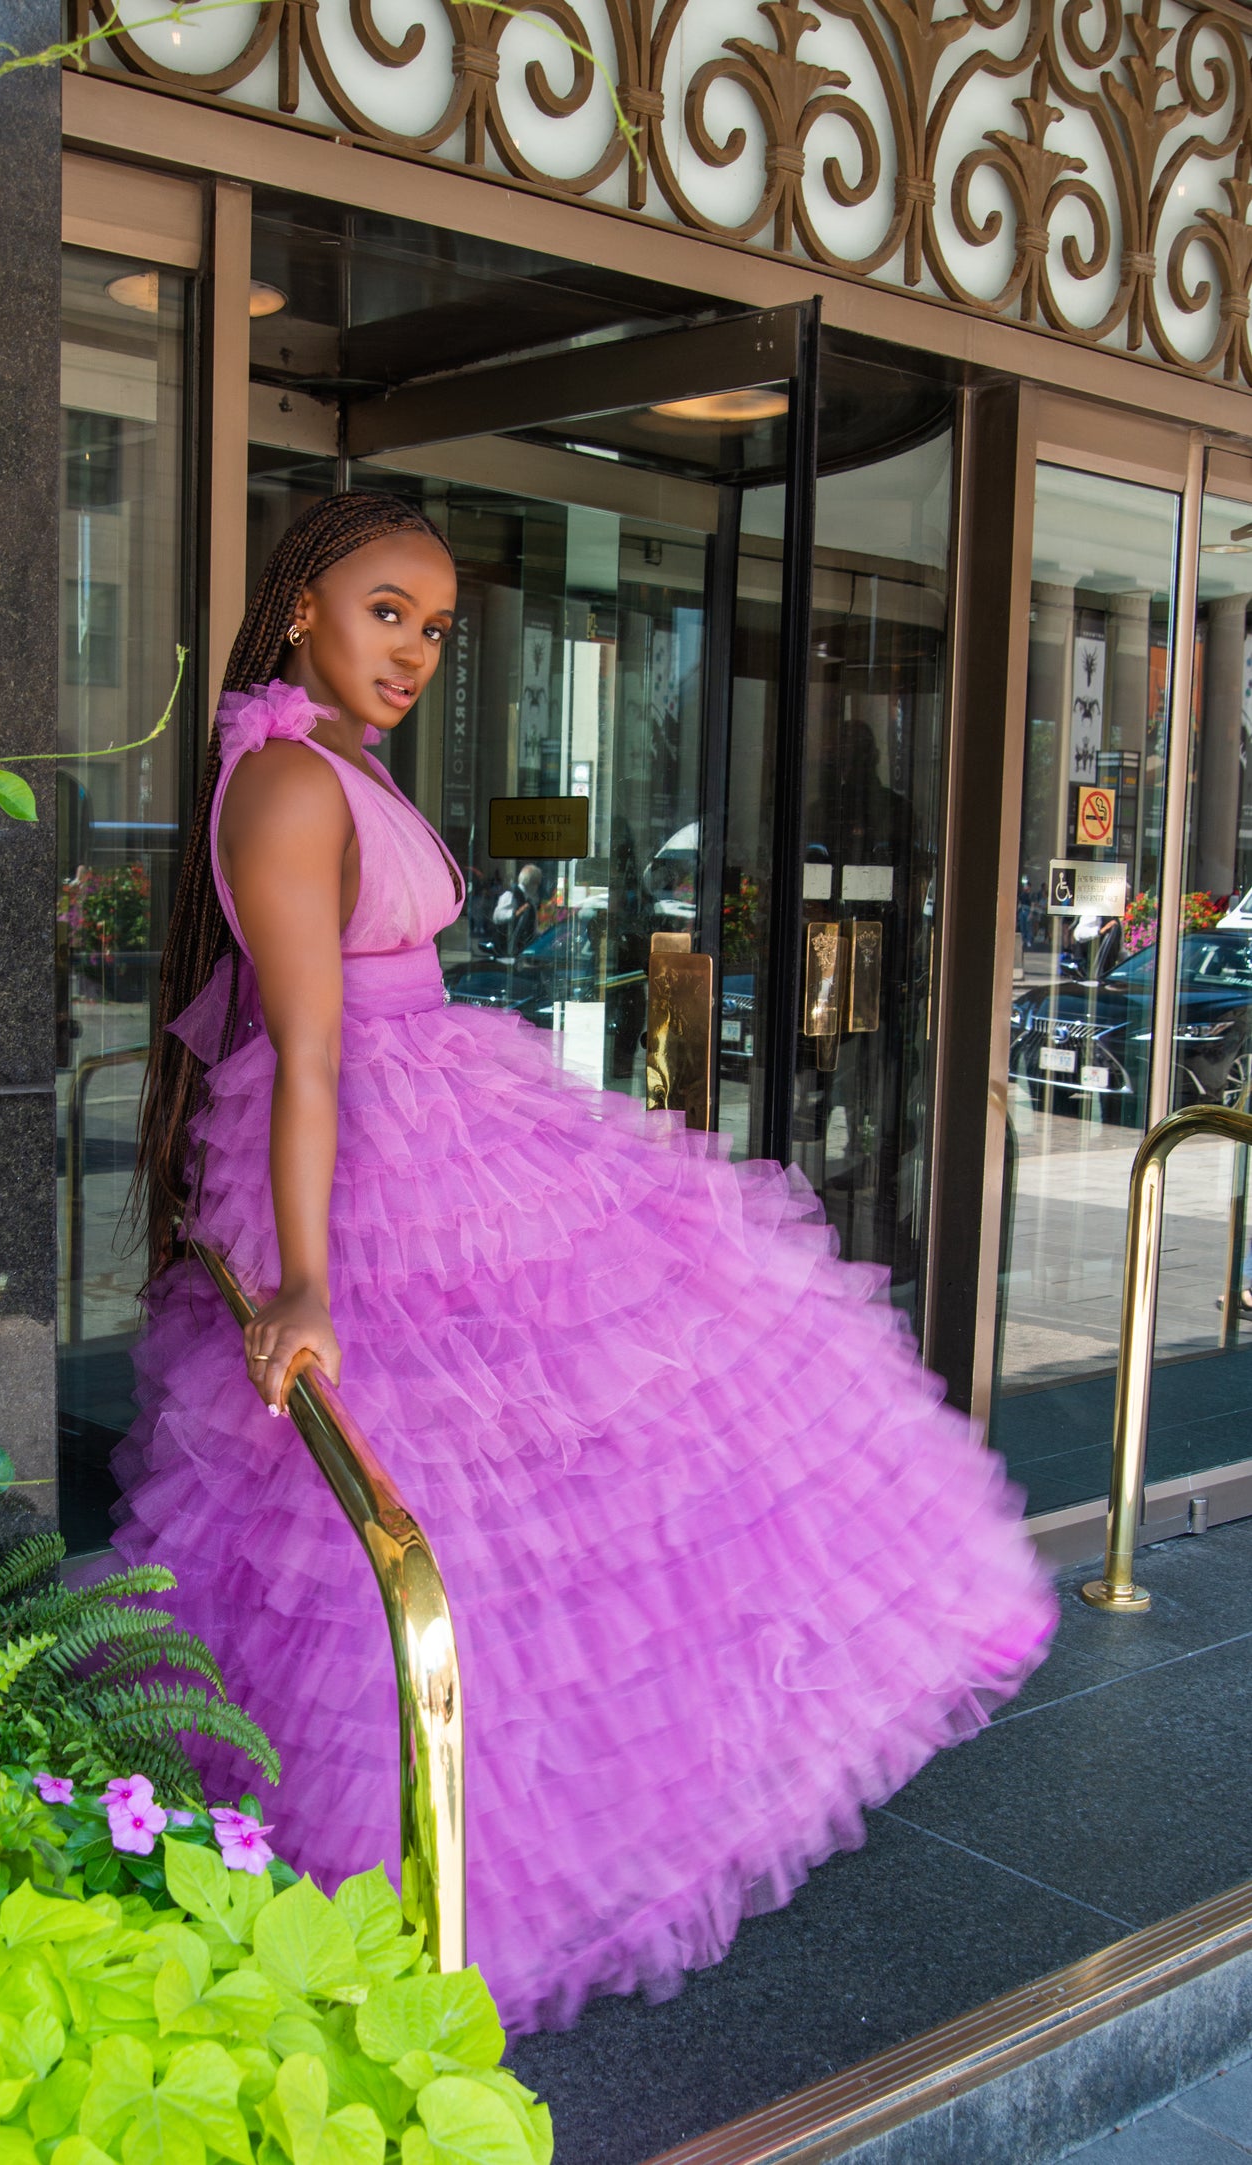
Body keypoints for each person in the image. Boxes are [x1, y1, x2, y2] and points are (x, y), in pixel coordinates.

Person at [120, 491, 1055, 2038]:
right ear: (300, 605)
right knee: (425, 1531)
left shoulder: (330, 761)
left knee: (579, 1484)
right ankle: (409, 1905)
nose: (414, 651)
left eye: (435, 627)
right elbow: (306, 1056)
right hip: (385, 1176)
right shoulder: (285, 777)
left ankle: (477, 1877)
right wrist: (305, 1281)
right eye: (384, 611)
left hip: (442, 1143)